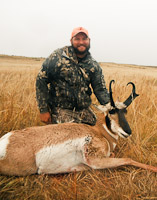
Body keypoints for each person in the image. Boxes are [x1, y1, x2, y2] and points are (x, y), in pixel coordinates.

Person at [36, 27, 110, 125]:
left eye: (84, 39)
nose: (81, 42)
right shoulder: (57, 56)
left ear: (89, 41)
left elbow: (100, 90)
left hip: (83, 111)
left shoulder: (93, 65)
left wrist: (112, 107)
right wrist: (43, 110)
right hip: (60, 111)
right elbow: (41, 80)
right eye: (77, 39)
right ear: (71, 41)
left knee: (97, 133)